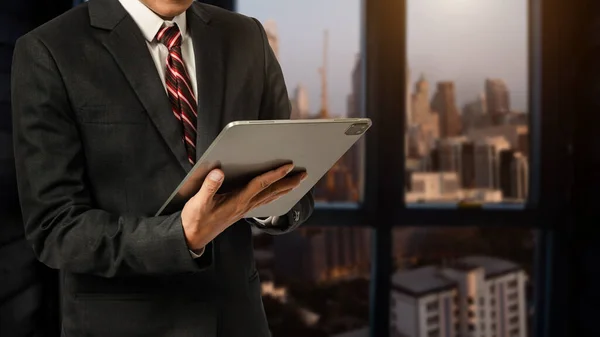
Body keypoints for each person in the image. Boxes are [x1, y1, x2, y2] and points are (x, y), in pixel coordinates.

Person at [10, 0, 314, 336]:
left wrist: (263, 202)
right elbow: (55, 229)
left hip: (237, 322)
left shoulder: (246, 37)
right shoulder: (50, 50)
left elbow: (295, 182)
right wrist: (182, 237)